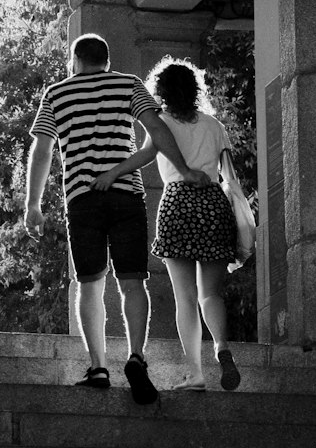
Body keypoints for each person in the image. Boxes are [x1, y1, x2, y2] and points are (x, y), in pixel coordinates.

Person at [23, 34, 212, 403]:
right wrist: (186, 170)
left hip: (83, 198)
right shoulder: (128, 84)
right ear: (106, 60)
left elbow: (42, 149)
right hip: (126, 195)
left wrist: (33, 203)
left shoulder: (57, 94)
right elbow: (157, 132)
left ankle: (98, 367)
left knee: (90, 284)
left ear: (75, 60)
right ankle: (136, 357)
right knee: (132, 282)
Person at [95, 56, 241, 392]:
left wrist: (113, 172)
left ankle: (196, 373)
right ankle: (222, 348)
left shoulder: (161, 123)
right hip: (214, 205)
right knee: (211, 294)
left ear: (160, 91)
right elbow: (230, 179)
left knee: (185, 297)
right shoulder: (214, 125)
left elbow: (145, 156)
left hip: (177, 203)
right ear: (194, 90)